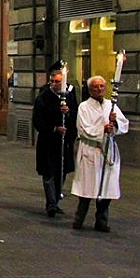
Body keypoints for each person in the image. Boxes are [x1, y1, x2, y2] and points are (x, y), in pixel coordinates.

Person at [71, 76, 129, 232]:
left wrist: (115, 123)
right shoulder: (84, 107)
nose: (99, 89)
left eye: (102, 86)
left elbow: (124, 124)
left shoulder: (111, 105)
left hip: (107, 150)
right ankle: (79, 218)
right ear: (90, 89)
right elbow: (83, 129)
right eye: (96, 87)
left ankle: (101, 220)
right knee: (87, 188)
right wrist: (102, 129)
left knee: (106, 188)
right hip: (91, 150)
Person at [32, 65, 78, 217]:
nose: (54, 84)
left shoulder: (69, 95)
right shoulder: (43, 97)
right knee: (49, 172)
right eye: (52, 81)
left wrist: (69, 113)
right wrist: (53, 128)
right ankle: (51, 202)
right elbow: (38, 120)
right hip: (48, 141)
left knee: (61, 171)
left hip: (64, 142)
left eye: (58, 82)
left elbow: (76, 115)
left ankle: (56, 199)